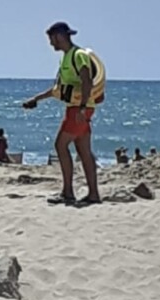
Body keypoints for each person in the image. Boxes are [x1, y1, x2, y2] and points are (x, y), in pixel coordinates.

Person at [22, 21, 105, 205]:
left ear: (59, 36)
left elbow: (86, 80)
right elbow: (57, 89)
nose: (51, 44)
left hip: (78, 109)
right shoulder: (66, 58)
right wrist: (35, 99)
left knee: (60, 145)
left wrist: (82, 107)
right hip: (80, 108)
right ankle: (93, 195)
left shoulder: (78, 55)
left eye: (51, 39)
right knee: (84, 151)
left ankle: (68, 192)